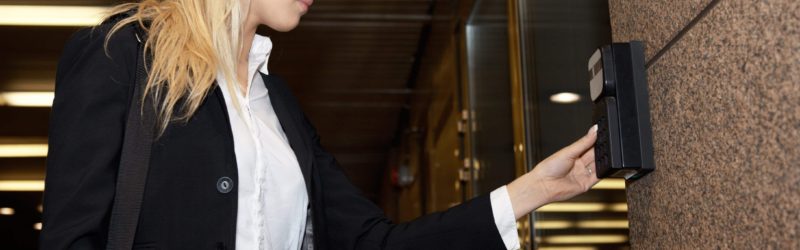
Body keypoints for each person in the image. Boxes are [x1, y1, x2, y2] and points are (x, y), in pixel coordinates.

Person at [39, 0, 600, 249]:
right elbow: (69, 238)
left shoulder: (279, 106)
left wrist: (537, 190)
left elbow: (373, 242)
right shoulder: (120, 54)